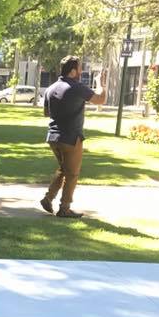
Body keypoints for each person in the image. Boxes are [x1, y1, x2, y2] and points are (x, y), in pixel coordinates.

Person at [39, 55, 107, 218]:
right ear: (72, 71)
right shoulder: (76, 87)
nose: (81, 71)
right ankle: (65, 208)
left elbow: (47, 113)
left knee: (64, 170)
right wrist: (100, 83)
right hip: (71, 138)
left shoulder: (51, 88)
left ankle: (48, 199)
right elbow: (101, 99)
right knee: (72, 174)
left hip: (53, 137)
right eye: (79, 67)